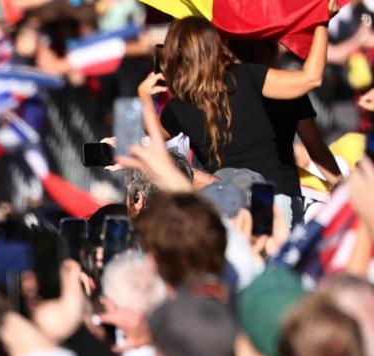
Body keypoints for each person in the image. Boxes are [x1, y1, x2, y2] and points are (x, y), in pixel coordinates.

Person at [140, 17, 329, 225]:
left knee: (243, 257)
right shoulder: (246, 76)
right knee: (269, 253)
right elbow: (312, 79)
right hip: (264, 194)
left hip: (225, 201)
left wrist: (144, 96)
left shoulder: (180, 105)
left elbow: (154, 132)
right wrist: (321, 22)